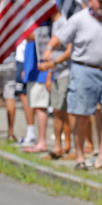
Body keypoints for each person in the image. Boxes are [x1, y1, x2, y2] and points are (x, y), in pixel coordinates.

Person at [42, 0, 102, 170]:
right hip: (84, 70)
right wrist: (49, 48)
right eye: (100, 1)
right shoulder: (79, 19)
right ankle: (80, 158)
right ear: (90, 1)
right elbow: (60, 36)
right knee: (81, 115)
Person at [39, 11, 73, 160]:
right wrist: (50, 73)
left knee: (68, 112)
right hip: (57, 73)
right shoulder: (55, 23)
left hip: (68, 72)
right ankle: (58, 146)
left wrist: (52, 64)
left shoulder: (65, 21)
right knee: (57, 110)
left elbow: (70, 50)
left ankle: (69, 147)